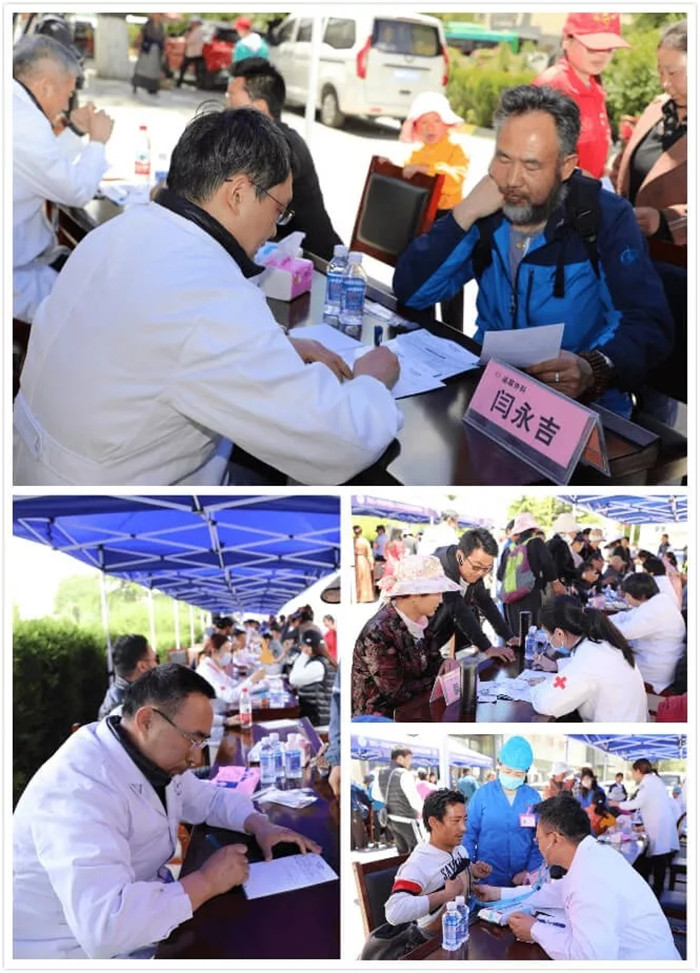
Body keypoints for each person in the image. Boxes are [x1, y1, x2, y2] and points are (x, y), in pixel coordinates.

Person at [14, 107, 401, 486]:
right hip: (113, 504)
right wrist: (371, 382)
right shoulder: (213, 295)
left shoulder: (119, 231)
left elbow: (146, 338)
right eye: (278, 210)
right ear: (238, 194)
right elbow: (336, 440)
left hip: (34, 466)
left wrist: (275, 347)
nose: (274, 229)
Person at [393, 84, 673, 417]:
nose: (512, 179)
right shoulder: (489, 209)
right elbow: (412, 293)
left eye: (531, 166)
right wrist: (463, 214)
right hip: (491, 392)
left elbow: (647, 322)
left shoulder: (604, 217)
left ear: (566, 167)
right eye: (503, 158)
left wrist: (592, 368)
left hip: (584, 408)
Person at [13, 664, 320, 959]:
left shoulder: (142, 749)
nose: (196, 757)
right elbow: (105, 927)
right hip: (68, 951)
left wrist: (259, 824)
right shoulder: (79, 789)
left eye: (201, 741)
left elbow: (207, 799)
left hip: (144, 918)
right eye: (192, 740)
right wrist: (206, 882)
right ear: (147, 720)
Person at [475, 794, 680, 960]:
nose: (538, 845)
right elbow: (550, 892)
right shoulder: (592, 857)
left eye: (538, 839)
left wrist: (535, 930)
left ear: (555, 839)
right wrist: (497, 893)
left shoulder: (590, 878)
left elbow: (590, 958)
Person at [13, 35, 114, 323]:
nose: (68, 103)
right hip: (16, 274)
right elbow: (77, 191)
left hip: (26, 256)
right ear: (45, 86)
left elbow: (44, 165)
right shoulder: (24, 122)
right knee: (103, 310)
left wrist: (75, 131)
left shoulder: (16, 109)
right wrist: (98, 141)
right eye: (68, 94)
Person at [227, 58, 343, 260]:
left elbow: (242, 211)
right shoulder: (262, 140)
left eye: (232, 96)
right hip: (278, 257)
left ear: (259, 107)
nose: (227, 105)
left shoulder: (281, 148)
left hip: (314, 264)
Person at [351, 554, 461, 718]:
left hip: (416, 709)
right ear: (416, 595)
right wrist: (439, 679)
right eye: (437, 593)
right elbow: (396, 692)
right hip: (380, 719)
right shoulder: (378, 632)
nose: (441, 600)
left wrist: (445, 664)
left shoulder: (421, 622)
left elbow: (432, 661)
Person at [613, 20, 687, 245]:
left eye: (672, 72)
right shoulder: (656, 109)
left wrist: (666, 222)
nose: (664, 83)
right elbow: (621, 170)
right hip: (628, 249)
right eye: (660, 71)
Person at [400, 92, 470, 328]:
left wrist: (426, 169)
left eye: (436, 120)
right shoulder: (416, 154)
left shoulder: (456, 149)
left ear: (447, 123)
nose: (430, 127)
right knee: (424, 273)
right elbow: (407, 185)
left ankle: (453, 330)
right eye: (423, 122)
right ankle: (423, 325)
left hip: (451, 219)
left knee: (450, 275)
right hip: (423, 221)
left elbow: (454, 180)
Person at [533, 12, 630, 179]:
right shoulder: (551, 87)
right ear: (566, 40)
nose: (601, 55)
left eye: (609, 48)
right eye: (592, 47)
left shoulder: (596, 88)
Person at [384, 789, 491, 936]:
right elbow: (393, 912)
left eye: (464, 820)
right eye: (456, 821)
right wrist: (446, 894)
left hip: (463, 925)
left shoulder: (460, 850)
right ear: (434, 822)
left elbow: (452, 877)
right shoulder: (418, 864)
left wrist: (473, 873)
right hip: (434, 939)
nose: (464, 828)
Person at [530, 595, 647, 722]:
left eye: (546, 633)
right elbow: (586, 668)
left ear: (559, 633)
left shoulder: (588, 660)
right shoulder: (598, 642)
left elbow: (546, 704)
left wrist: (540, 687)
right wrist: (556, 666)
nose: (547, 638)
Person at [463, 736, 543, 887]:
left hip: (521, 881)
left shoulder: (533, 798)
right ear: (499, 764)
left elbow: (540, 838)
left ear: (526, 772)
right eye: (508, 771)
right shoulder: (482, 795)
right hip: (486, 877)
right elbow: (468, 834)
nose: (512, 776)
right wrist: (470, 869)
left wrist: (530, 870)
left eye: (518, 774)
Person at [427, 527, 519, 657]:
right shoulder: (443, 568)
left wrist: (509, 636)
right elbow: (459, 611)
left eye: (487, 569)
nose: (481, 573)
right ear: (460, 557)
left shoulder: (474, 569)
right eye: (476, 567)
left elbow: (485, 602)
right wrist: (487, 648)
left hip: (438, 635)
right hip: (416, 635)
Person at [610, 758, 680, 899]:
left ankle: (657, 893)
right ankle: (653, 889)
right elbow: (653, 806)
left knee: (658, 859)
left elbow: (637, 803)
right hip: (659, 824)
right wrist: (644, 826)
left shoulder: (648, 783)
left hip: (659, 827)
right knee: (655, 858)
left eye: (633, 772)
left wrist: (617, 804)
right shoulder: (653, 781)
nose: (632, 775)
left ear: (638, 770)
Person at [613, 572, 686, 693]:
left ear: (636, 595)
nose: (626, 598)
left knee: (609, 668)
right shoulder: (658, 602)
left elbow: (626, 632)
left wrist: (601, 624)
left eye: (626, 595)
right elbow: (626, 616)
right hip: (659, 660)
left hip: (655, 671)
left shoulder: (655, 610)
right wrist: (604, 619)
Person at [497, 512, 562, 632]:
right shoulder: (536, 543)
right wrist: (555, 582)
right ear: (534, 530)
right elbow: (547, 564)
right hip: (530, 596)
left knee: (516, 635)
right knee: (531, 633)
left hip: (511, 599)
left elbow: (500, 576)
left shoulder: (509, 550)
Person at [375, 747, 424, 853]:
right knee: (418, 852)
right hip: (407, 820)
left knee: (402, 853)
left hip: (391, 819)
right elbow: (414, 800)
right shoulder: (404, 773)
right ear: (400, 758)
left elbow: (376, 795)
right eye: (409, 759)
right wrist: (427, 812)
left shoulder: (380, 772)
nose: (410, 762)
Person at [97, 634, 158, 719]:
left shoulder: (121, 696)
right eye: (156, 659)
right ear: (142, 666)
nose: (158, 665)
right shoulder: (126, 708)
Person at [195, 633, 266, 705]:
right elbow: (230, 697)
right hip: (217, 711)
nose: (229, 655)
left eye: (230, 651)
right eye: (227, 651)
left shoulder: (214, 668)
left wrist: (260, 684)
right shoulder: (207, 671)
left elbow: (235, 685)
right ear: (214, 651)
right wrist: (252, 679)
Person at [289, 629, 337, 726]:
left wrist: (304, 654)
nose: (301, 648)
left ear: (310, 647)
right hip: (319, 716)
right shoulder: (323, 661)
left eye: (303, 646)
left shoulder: (317, 665)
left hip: (318, 719)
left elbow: (293, 679)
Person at [132, 14, 165, 95]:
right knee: (142, 67)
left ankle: (152, 87)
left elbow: (163, 38)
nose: (158, 16)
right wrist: (139, 46)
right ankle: (136, 84)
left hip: (157, 50)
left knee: (154, 69)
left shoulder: (161, 26)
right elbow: (141, 36)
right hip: (147, 48)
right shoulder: (148, 25)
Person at [546, 512, 580, 587]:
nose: (575, 535)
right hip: (559, 585)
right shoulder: (561, 545)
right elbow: (560, 567)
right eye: (574, 532)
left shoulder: (550, 543)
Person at [176, 17, 204, 88]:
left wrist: (186, 37)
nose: (191, 24)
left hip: (194, 53)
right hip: (191, 52)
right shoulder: (194, 31)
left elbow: (190, 41)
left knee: (192, 69)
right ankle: (181, 81)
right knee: (191, 68)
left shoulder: (198, 31)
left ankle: (198, 83)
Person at [353, 525, 375, 603]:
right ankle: (366, 597)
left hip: (355, 560)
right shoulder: (365, 541)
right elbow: (369, 554)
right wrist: (371, 563)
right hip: (364, 560)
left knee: (357, 579)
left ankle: (358, 596)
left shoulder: (352, 541)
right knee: (365, 579)